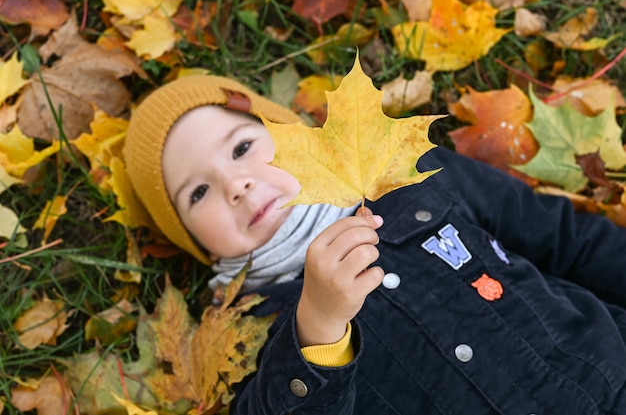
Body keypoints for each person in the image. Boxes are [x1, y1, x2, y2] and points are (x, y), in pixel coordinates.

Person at [125, 73, 626, 414]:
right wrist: (317, 328)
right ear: (193, 241)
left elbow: (564, 239)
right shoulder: (237, 326)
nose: (235, 185)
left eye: (241, 148)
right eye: (197, 192)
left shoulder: (408, 179)